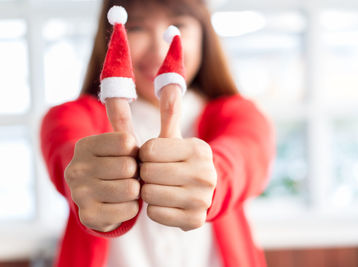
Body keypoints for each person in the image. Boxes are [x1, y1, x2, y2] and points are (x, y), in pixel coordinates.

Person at [40, 0, 275, 266]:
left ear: (204, 36)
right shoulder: (73, 117)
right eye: (137, 27)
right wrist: (91, 184)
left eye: (179, 26)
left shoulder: (239, 115)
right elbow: (66, 152)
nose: (159, 49)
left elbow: (245, 157)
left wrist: (213, 178)